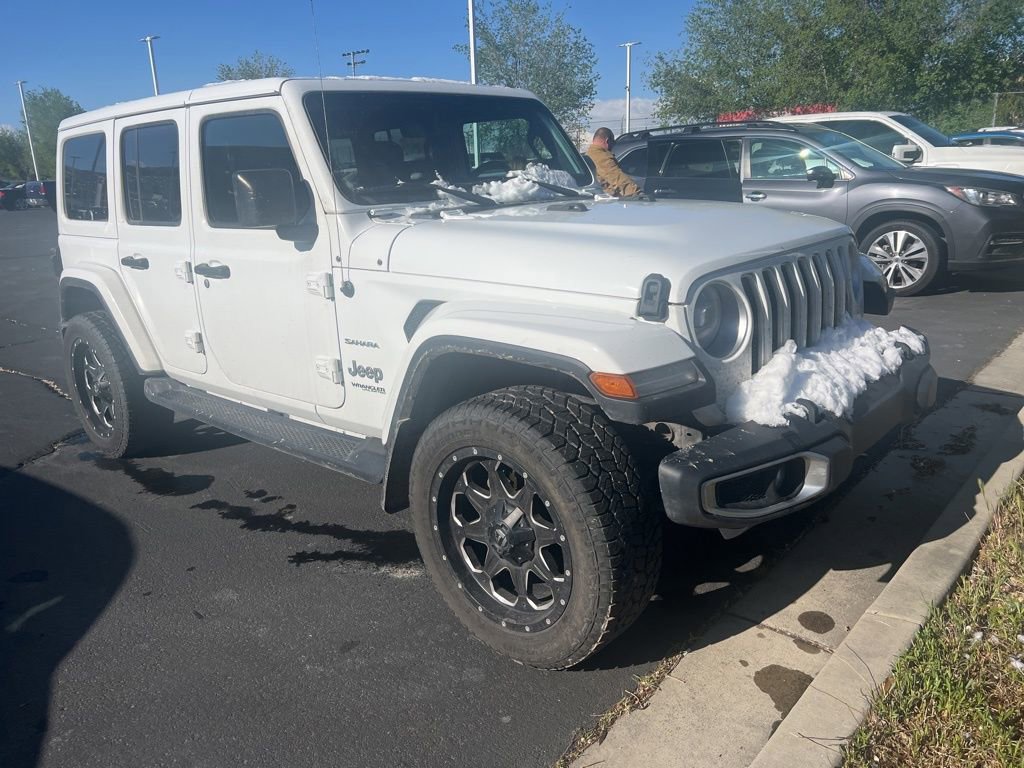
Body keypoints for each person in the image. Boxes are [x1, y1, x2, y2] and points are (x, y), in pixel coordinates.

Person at [586, 127, 641, 197]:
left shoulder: (589, 154)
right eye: (613, 142)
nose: (613, 145)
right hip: (607, 200)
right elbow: (617, 177)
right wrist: (637, 193)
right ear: (607, 141)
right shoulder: (602, 157)